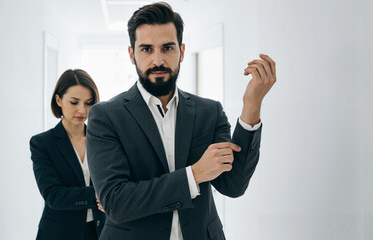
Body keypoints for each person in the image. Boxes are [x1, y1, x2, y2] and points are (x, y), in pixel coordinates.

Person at [87, 2, 276, 240]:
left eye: (167, 48)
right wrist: (194, 175)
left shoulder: (209, 111)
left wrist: (251, 106)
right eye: (146, 49)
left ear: (182, 51)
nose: (157, 60)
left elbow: (233, 185)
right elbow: (116, 203)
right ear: (131, 54)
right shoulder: (105, 117)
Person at [30, 69, 105, 240]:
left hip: (100, 231)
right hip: (59, 233)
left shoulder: (103, 140)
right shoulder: (42, 143)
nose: (82, 110)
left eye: (88, 103)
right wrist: (95, 195)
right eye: (74, 102)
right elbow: (53, 195)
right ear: (59, 100)